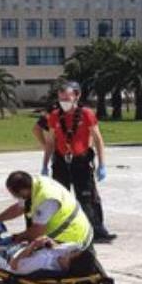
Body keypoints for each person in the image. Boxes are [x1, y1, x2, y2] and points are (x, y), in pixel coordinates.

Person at [37, 82, 115, 243]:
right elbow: (50, 142)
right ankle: (60, 231)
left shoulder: (86, 114)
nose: (64, 101)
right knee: (59, 197)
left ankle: (97, 229)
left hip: (81, 161)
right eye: (61, 98)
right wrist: (45, 164)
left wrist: (102, 165)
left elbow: (98, 140)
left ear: (76, 96)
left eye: (67, 97)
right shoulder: (54, 116)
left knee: (87, 197)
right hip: (61, 162)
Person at [0, 171, 94, 252]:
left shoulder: (46, 199)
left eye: (15, 195)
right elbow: (18, 208)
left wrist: (15, 238)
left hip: (74, 238)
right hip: (69, 233)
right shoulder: (34, 184)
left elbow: (37, 232)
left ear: (23, 191)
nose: (16, 197)